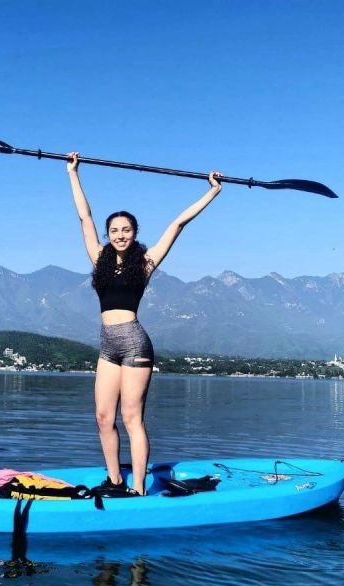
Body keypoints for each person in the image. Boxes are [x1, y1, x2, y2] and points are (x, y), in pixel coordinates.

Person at [67, 151, 223, 495]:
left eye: (126, 229)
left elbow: (177, 224)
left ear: (135, 233)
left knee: (131, 418)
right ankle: (115, 481)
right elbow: (84, 217)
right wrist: (72, 173)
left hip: (135, 343)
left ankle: (138, 489)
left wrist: (212, 192)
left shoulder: (146, 263)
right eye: (114, 230)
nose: (120, 234)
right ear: (108, 235)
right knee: (103, 418)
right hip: (107, 345)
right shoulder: (99, 258)